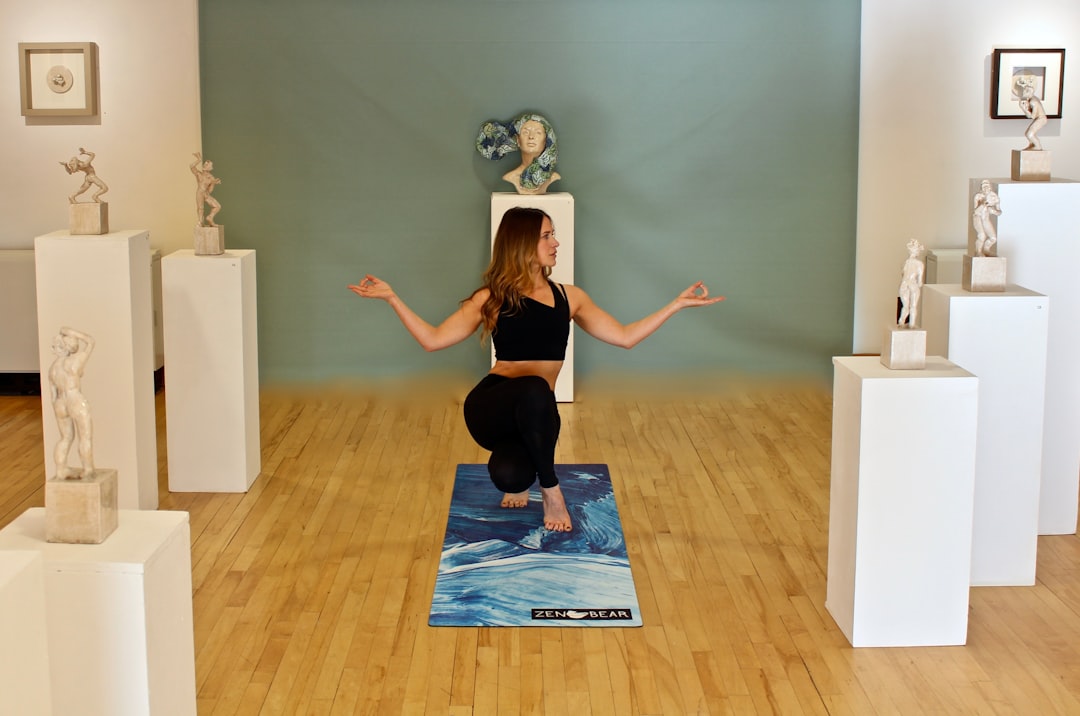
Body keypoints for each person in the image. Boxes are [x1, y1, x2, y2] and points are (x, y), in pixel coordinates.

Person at [349, 207, 724, 531]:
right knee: (534, 388)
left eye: (554, 235)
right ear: (523, 243)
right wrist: (392, 298)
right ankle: (550, 490)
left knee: (510, 475)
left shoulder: (569, 297)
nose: (555, 243)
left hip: (536, 413)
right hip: (492, 409)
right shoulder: (492, 298)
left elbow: (625, 336)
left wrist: (674, 305)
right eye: (547, 236)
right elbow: (432, 340)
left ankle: (527, 479)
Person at [48, 326, 96, 480]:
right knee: (85, 437)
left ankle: (61, 469)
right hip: (75, 399)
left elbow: (53, 395)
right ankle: (88, 469)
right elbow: (90, 342)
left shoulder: (53, 368)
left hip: (60, 403)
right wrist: (71, 332)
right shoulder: (75, 361)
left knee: (65, 438)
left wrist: (58, 408)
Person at [476, 113, 561, 194]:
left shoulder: (553, 177)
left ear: (546, 140)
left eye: (538, 133)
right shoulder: (510, 177)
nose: (531, 137)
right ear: (518, 140)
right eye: (525, 132)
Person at [897, 238, 925, 328]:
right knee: (913, 306)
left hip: (904, 285)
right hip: (913, 285)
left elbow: (902, 274)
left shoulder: (905, 263)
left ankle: (901, 322)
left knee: (905, 306)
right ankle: (912, 325)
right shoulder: (919, 264)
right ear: (917, 252)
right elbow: (920, 282)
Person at [191, 152, 223, 227]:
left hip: (206, 194)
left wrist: (213, 183)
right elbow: (191, 166)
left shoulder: (211, 177)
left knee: (217, 206)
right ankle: (200, 221)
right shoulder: (199, 174)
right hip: (200, 192)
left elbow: (210, 190)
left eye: (207, 165)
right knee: (200, 208)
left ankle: (210, 217)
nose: (205, 165)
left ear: (209, 167)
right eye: (205, 164)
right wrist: (198, 160)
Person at [1017, 77, 1048, 151]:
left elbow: (1032, 116)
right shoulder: (1032, 99)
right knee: (1028, 134)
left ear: (1028, 92)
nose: (1023, 94)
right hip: (1040, 118)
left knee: (1029, 134)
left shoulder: (1033, 102)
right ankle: (1033, 145)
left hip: (1041, 119)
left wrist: (1023, 109)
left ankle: (1037, 146)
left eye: (1024, 92)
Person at [971, 179, 1001, 257]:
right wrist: (983, 205)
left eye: (987, 187)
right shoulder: (978, 196)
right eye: (983, 187)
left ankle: (986, 250)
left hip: (986, 218)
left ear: (990, 187)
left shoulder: (994, 196)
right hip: (978, 217)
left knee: (993, 238)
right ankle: (978, 251)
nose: (985, 189)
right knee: (982, 235)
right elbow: (975, 211)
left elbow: (999, 212)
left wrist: (993, 211)